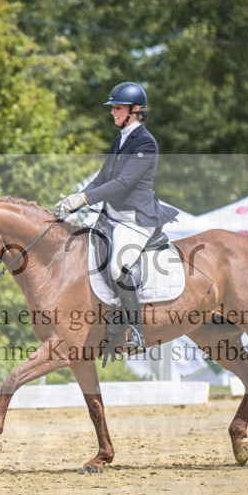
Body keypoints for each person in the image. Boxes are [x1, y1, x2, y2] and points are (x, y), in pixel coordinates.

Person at [56, 81, 178, 350]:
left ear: (135, 111)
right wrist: (72, 200)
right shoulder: (118, 140)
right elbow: (101, 178)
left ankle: (136, 332)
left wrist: (85, 198)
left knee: (118, 266)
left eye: (118, 108)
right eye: (113, 108)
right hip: (110, 218)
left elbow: (123, 182)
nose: (113, 112)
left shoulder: (146, 142)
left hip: (135, 219)